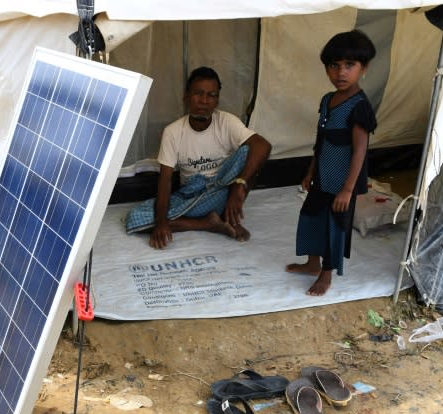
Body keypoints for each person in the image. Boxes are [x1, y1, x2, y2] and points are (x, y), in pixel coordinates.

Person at [125, 66, 271, 249]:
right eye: (198, 93)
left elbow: (263, 145)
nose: (204, 101)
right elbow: (165, 181)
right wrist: (161, 222)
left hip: (225, 190)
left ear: (217, 100)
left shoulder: (227, 122)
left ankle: (224, 217)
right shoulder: (173, 132)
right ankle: (209, 223)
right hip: (192, 196)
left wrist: (240, 185)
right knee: (135, 219)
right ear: (186, 97)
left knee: (250, 149)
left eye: (211, 95)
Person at [286, 30, 377, 296]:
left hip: (342, 182)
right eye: (334, 65)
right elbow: (321, 141)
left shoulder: (359, 106)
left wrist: (348, 190)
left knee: (334, 228)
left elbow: (360, 151)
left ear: (363, 68)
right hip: (321, 177)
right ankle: (312, 264)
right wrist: (310, 171)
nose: (341, 73)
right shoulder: (327, 100)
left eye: (349, 65)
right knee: (311, 217)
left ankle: (326, 274)